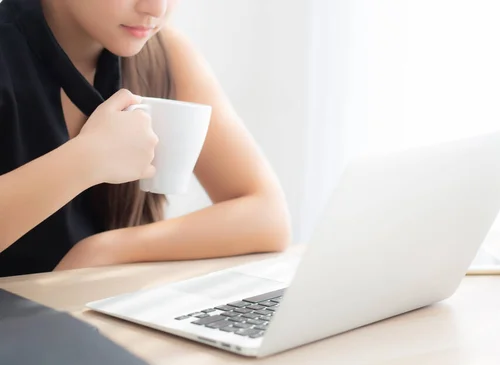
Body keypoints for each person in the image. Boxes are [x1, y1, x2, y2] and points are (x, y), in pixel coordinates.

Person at [0, 0, 292, 277]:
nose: (156, 8)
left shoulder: (162, 54)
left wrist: (104, 250)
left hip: (104, 312)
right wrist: (87, 159)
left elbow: (268, 216)